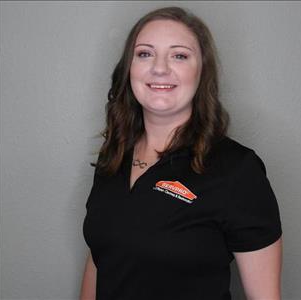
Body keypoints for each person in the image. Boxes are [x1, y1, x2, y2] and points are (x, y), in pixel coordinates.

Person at [80, 6, 283, 300]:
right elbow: (100, 259)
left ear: (202, 72)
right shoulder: (112, 157)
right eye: (145, 53)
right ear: (129, 69)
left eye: (179, 55)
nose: (159, 68)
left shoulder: (237, 170)